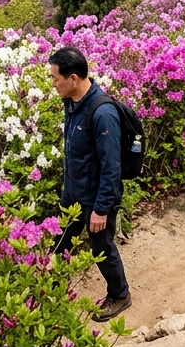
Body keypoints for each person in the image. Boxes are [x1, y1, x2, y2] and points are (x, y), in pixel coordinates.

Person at [47, 47, 132, 322]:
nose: (52, 83)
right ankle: (53, 288)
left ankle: (120, 295)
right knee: (60, 242)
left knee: (101, 248)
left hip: (96, 197)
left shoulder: (102, 112)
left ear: (73, 78)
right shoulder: (71, 102)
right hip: (73, 191)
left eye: (55, 78)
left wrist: (101, 208)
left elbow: (112, 167)